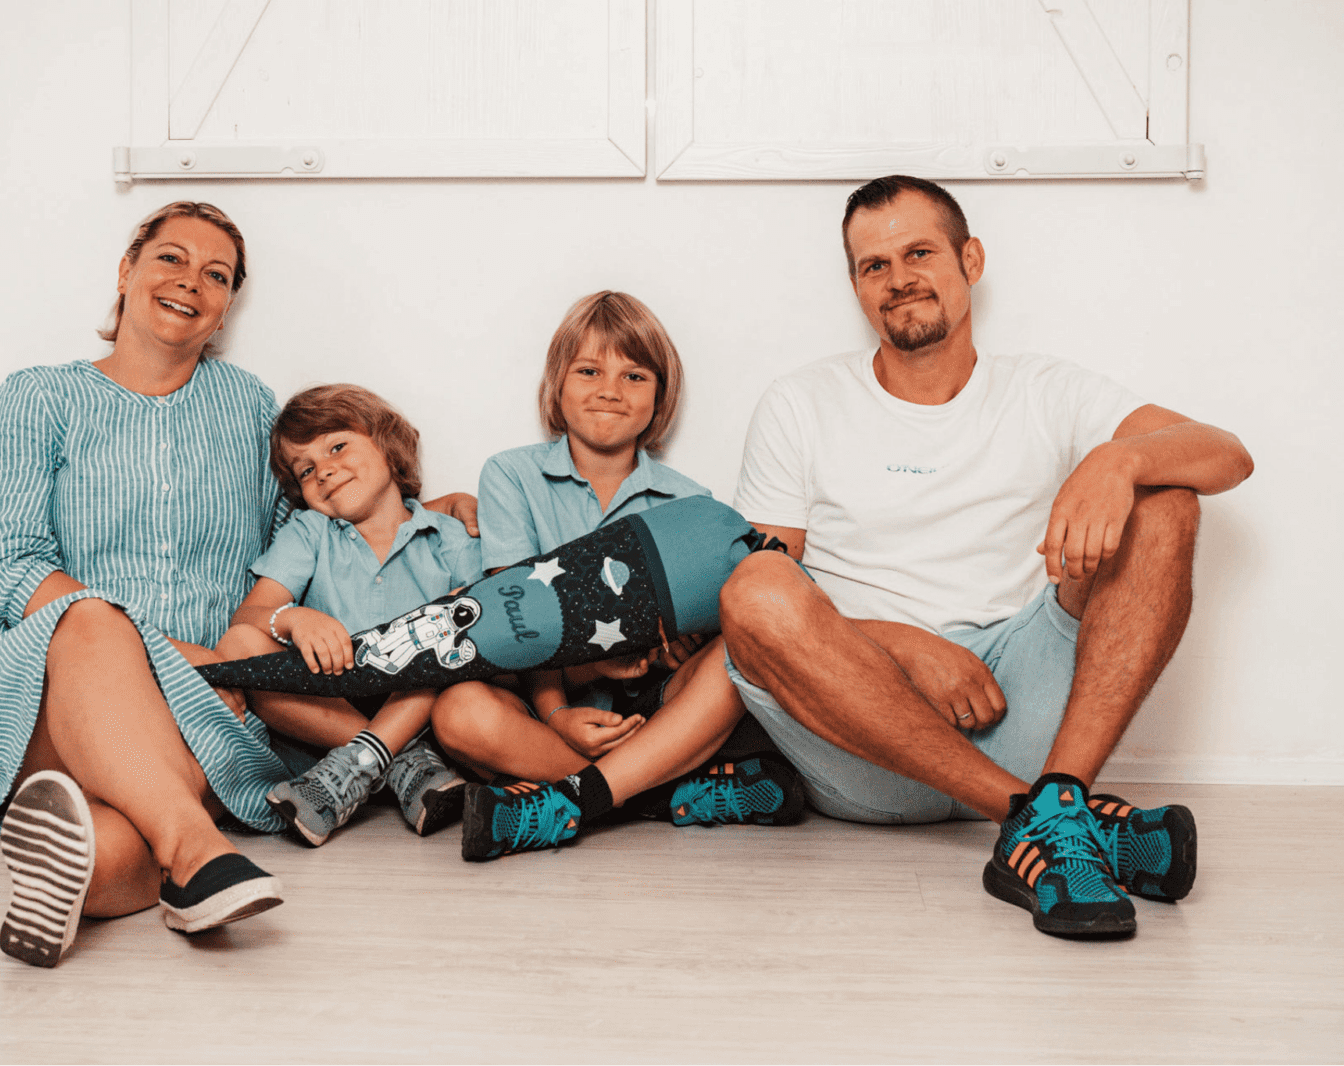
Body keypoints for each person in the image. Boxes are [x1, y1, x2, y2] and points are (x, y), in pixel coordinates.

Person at [718, 176, 1254, 938]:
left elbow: (1227, 454)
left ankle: (1057, 798)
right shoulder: (801, 402)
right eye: (874, 266)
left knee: (1168, 499)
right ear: (856, 287)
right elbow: (766, 596)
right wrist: (904, 645)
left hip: (1017, 698)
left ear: (970, 259)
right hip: (863, 738)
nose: (899, 278)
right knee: (752, 585)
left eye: (919, 252)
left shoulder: (1045, 389)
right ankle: (1045, 822)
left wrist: (1118, 464)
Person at [0, 203, 476, 968]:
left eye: (216, 275)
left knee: (118, 832)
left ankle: (95, 868)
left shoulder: (249, 406)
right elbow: (13, 565)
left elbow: (310, 536)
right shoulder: (37, 397)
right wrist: (169, 654)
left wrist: (436, 508)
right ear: (127, 272)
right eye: (170, 258)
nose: (190, 281)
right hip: (56, 676)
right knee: (93, 620)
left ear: (224, 309)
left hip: (212, 699)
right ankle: (199, 851)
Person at [436, 291, 803, 861]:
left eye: (634, 375)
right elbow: (516, 620)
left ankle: (573, 798)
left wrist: (677, 644)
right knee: (458, 712)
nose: (610, 389)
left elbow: (692, 631)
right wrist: (558, 712)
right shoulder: (511, 475)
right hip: (544, 699)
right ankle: (664, 795)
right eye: (589, 370)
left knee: (738, 648)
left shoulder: (690, 501)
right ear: (557, 384)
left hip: (653, 706)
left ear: (660, 397)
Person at [216, 384, 480, 846]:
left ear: (387, 444)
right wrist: (293, 619)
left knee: (465, 616)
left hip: (422, 710)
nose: (325, 471)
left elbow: (483, 627)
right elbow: (250, 613)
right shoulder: (310, 531)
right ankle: (396, 763)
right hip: (324, 721)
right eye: (306, 469)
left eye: (337, 446)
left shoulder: (449, 537)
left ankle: (371, 761)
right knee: (241, 645)